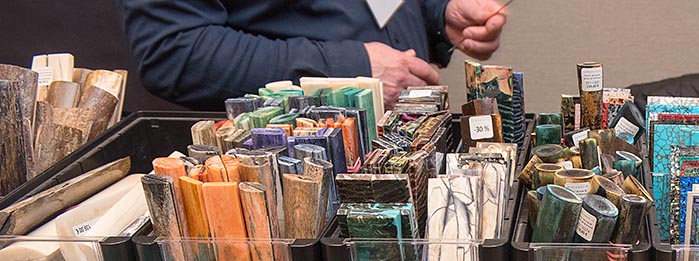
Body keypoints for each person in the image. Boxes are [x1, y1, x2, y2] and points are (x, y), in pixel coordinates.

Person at [117, 0, 508, 109]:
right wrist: (351, 72)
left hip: (406, 142)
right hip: (292, 183)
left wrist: (437, 13)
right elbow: (176, 52)